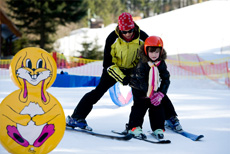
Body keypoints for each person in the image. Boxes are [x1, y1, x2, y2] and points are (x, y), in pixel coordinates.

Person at [66, 12, 148, 130]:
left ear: (134, 27)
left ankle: (134, 126)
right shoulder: (112, 38)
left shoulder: (143, 37)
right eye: (124, 31)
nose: (128, 34)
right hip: (114, 69)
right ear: (120, 29)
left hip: (133, 69)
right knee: (98, 92)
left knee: (141, 97)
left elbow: (149, 57)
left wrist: (137, 74)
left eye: (130, 30)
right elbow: (108, 64)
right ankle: (77, 117)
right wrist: (122, 77)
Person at [123, 36, 182, 139]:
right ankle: (134, 127)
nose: (154, 55)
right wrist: (150, 93)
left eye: (156, 52)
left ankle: (158, 128)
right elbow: (140, 79)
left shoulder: (160, 63)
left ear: (161, 51)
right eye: (151, 51)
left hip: (153, 87)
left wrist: (161, 94)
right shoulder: (142, 62)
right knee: (140, 106)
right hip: (138, 87)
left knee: (157, 105)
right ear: (146, 50)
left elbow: (166, 79)